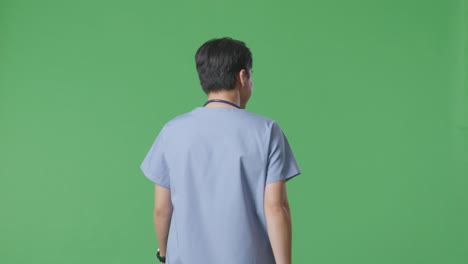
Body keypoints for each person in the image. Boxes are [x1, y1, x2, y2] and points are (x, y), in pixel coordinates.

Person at [140, 37, 302, 264]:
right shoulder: (266, 131)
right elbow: (277, 208)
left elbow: (161, 209)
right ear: (243, 76)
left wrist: (164, 254)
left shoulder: (172, 131)